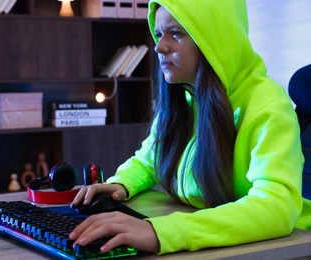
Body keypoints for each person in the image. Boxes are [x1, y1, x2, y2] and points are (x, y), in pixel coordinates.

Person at [69, 0, 311, 255]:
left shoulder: (269, 106)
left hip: (282, 249)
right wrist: (121, 184)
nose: (160, 46)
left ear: (215, 39)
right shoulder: (186, 97)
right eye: (159, 34)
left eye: (176, 34)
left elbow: (276, 207)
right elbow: (149, 160)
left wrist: (162, 231)